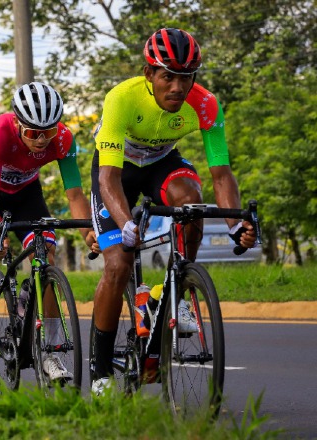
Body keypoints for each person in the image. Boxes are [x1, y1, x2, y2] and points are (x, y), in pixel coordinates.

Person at [88, 28, 257, 394]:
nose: (178, 87)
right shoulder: (122, 98)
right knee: (117, 263)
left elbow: (221, 173)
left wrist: (234, 224)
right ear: (149, 74)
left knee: (191, 201)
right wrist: (124, 222)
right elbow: (109, 178)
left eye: (186, 77)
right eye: (168, 76)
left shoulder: (206, 104)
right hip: (116, 171)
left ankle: (172, 292)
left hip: (162, 163)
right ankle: (100, 369)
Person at [0, 81, 95, 381]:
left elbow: (75, 195)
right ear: (17, 122)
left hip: (27, 193)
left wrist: (89, 233)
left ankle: (49, 351)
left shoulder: (64, 139)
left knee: (47, 257)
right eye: (33, 133)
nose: (41, 141)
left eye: (48, 132)